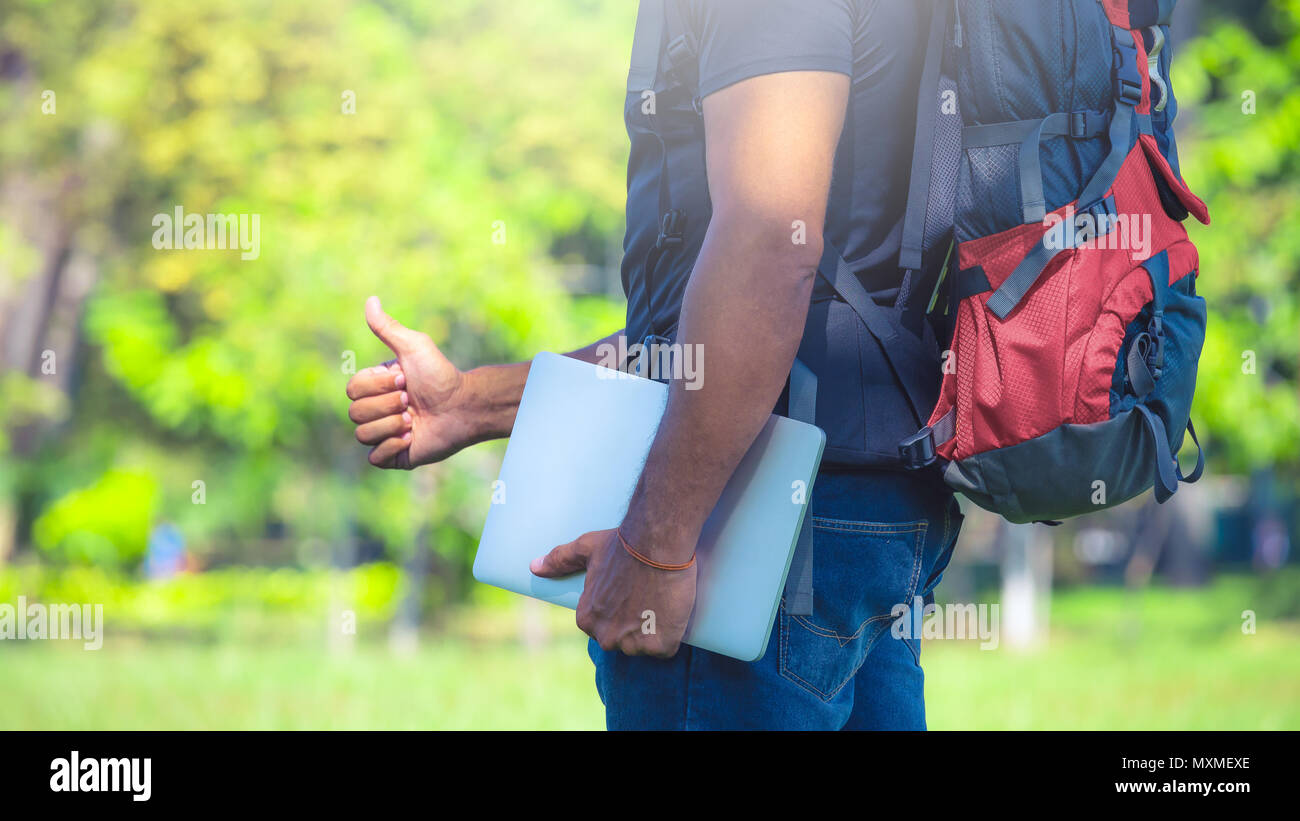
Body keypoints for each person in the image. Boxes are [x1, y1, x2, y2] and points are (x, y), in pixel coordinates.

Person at [346, 0, 962, 730]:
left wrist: (658, 546)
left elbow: (768, 247)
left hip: (760, 528)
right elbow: (744, 328)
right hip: (877, 513)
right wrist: (471, 403)